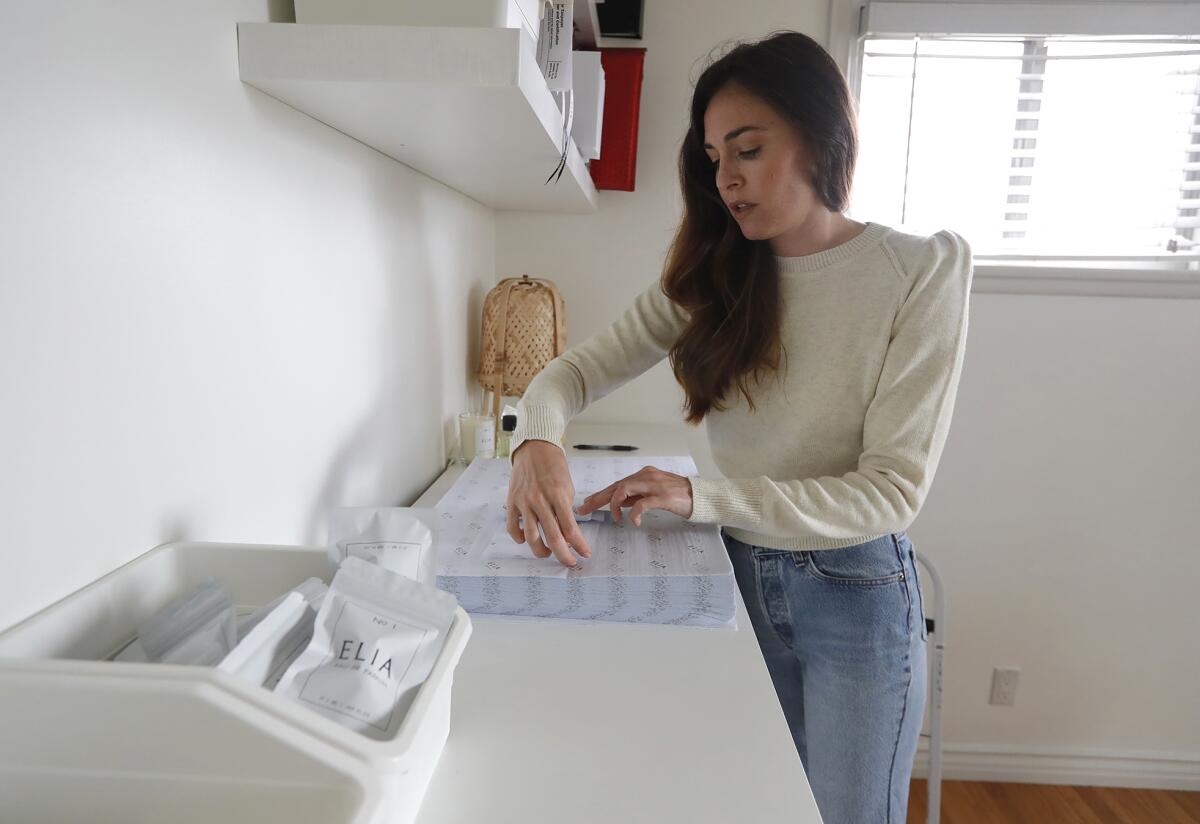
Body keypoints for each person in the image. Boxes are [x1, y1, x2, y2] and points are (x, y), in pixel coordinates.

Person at [504, 30, 972, 824]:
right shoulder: (709, 278)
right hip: (734, 578)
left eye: (748, 149)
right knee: (755, 802)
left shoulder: (920, 271)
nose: (726, 178)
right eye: (715, 156)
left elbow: (891, 493)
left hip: (854, 592)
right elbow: (568, 374)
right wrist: (535, 440)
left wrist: (702, 497)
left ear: (822, 139)